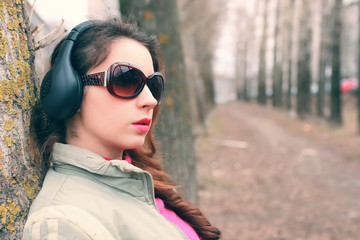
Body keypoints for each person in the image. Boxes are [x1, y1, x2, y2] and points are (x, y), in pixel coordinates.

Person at [22, 18, 221, 240]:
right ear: (68, 91)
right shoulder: (64, 224)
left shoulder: (140, 184)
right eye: (126, 79)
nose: (151, 100)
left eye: (153, 85)